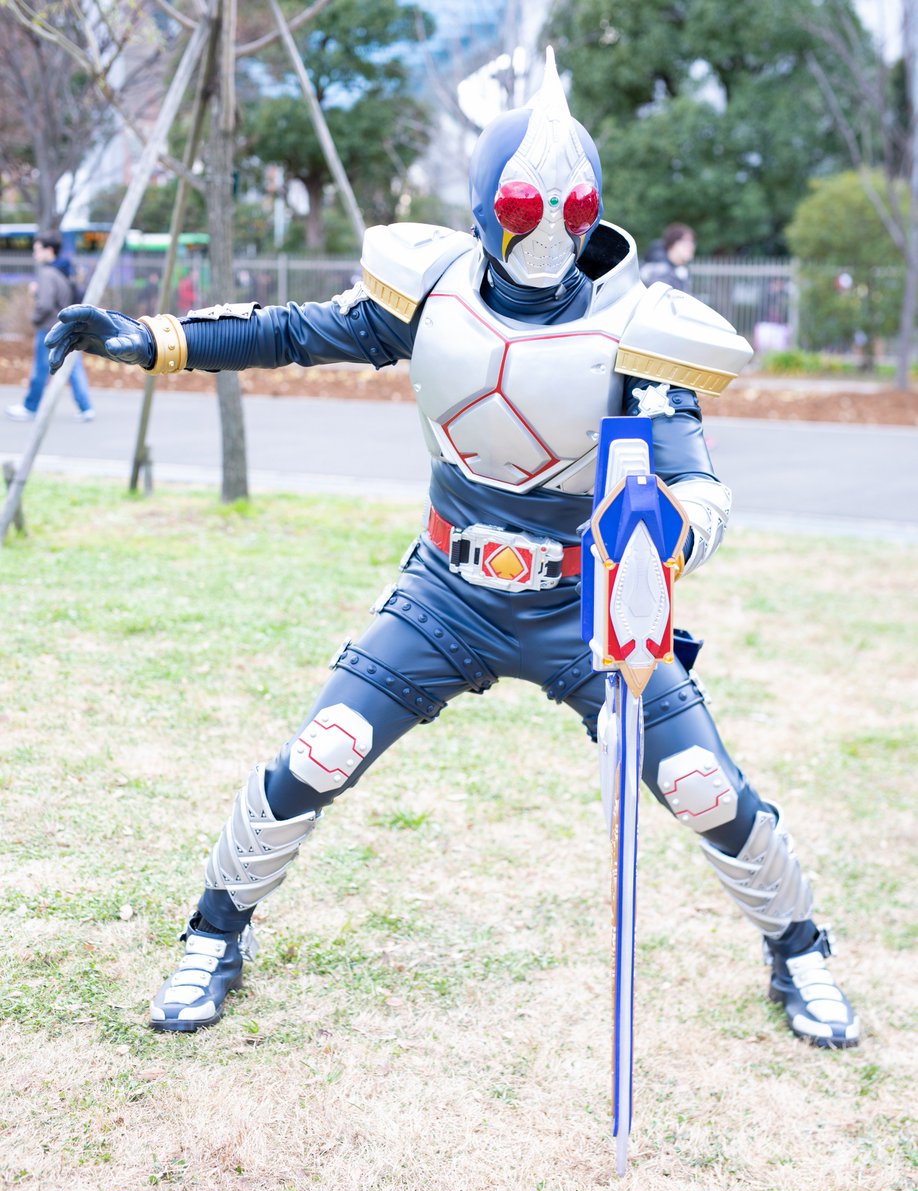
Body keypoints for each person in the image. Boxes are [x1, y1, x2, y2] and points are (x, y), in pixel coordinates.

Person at [46, 50, 858, 1049]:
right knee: (322, 750)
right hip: (448, 592)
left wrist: (668, 538)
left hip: (588, 609)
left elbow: (696, 482)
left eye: (572, 207)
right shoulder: (431, 293)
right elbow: (292, 331)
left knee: (702, 786)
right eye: (522, 205)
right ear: (484, 204)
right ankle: (214, 933)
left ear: (596, 211)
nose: (549, 228)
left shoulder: (637, 331)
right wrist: (150, 338)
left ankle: (799, 949)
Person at [6, 231, 95, 423]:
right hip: (67, 327)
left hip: (48, 328)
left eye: (37, 249)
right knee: (73, 368)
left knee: (40, 369)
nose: (35, 254)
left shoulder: (47, 273)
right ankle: (86, 408)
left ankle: (30, 407)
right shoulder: (65, 270)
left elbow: (46, 304)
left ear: (49, 250)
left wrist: (35, 317)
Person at [640, 223, 697, 293]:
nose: (690, 246)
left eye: (692, 241)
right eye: (685, 241)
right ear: (672, 244)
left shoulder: (679, 270)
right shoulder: (658, 272)